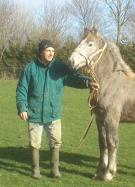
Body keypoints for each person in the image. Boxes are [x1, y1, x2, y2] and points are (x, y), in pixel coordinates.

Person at [16, 39, 98, 179]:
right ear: (41, 52)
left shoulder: (59, 67)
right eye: (48, 50)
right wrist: (22, 108)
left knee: (56, 141)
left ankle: (55, 169)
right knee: (35, 143)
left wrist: (88, 82)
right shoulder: (30, 68)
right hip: (34, 113)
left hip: (53, 114)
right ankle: (35, 170)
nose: (51, 53)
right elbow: (21, 90)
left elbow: (73, 77)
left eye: (53, 51)